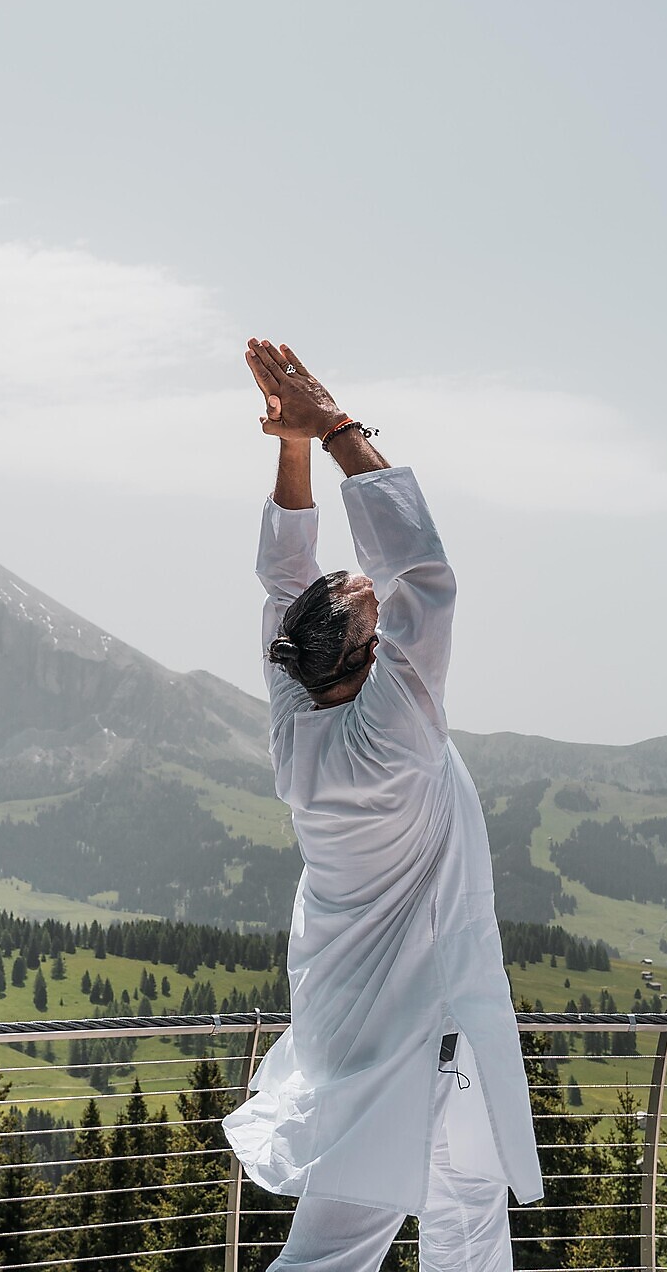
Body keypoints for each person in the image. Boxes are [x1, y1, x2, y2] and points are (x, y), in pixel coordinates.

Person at [223, 339, 542, 1272]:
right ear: (368, 663)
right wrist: (335, 431)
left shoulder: (301, 720)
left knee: (469, 1220)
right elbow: (427, 576)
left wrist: (287, 449)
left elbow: (289, 583)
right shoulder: (391, 738)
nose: (381, 599)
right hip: (407, 1040)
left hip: (384, 1030)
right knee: (338, 1253)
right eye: (372, 612)